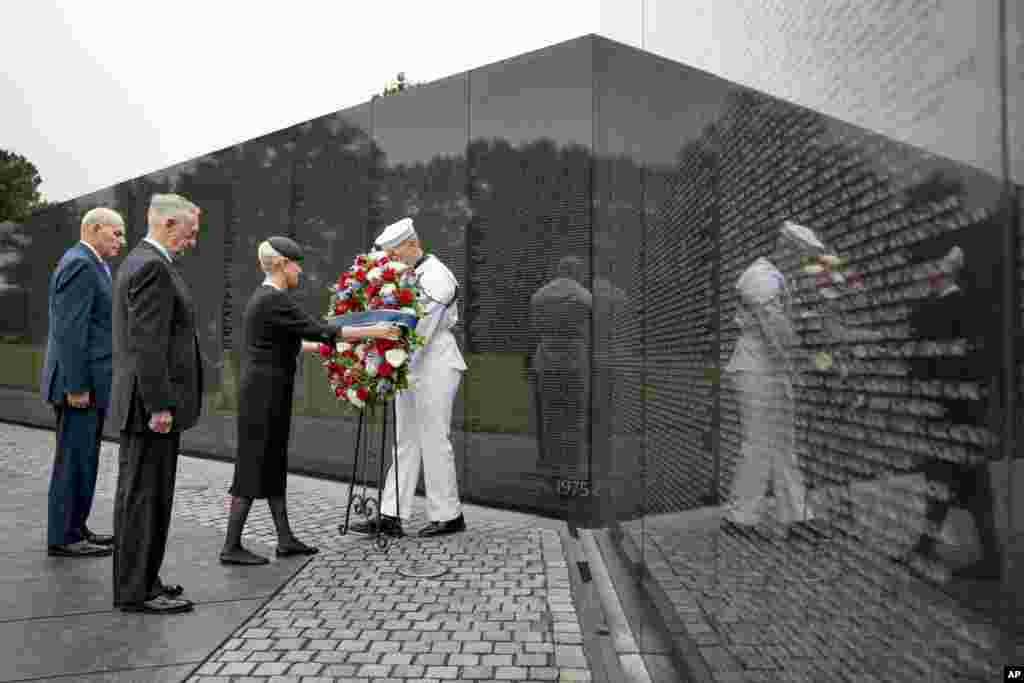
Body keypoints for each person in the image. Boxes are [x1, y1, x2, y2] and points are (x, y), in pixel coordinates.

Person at [221, 236, 401, 565]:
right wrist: (375, 331)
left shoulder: (266, 299)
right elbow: (320, 330)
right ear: (281, 265)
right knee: (253, 465)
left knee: (272, 462)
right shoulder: (273, 300)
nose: (299, 272)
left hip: (266, 393)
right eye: (295, 265)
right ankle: (231, 546)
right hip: (263, 396)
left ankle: (285, 539)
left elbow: (293, 342)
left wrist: (339, 349)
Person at [108, 194, 202, 614]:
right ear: (168, 224)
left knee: (144, 496)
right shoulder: (152, 266)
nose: (192, 241)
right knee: (145, 499)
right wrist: (160, 405)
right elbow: (148, 344)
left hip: (145, 406)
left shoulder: (141, 262)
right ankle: (137, 591)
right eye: (190, 232)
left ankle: (144, 579)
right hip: (150, 410)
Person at [347, 217, 468, 538]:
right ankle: (391, 515)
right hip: (409, 365)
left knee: (433, 439)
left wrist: (386, 362)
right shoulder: (407, 273)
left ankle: (448, 514)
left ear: (412, 244)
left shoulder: (437, 276)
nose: (390, 261)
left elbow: (420, 330)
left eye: (395, 253)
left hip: (435, 364)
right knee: (405, 441)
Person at [904, 232, 1003, 581]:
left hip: (953, 411)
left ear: (947, 273)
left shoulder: (953, 307)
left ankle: (986, 559)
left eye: (936, 267)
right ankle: (934, 549)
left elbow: (950, 360)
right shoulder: (946, 306)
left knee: (957, 482)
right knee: (953, 482)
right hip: (953, 409)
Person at [722, 220, 816, 538]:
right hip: (755, 367)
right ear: (786, 248)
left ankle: (797, 516)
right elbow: (773, 328)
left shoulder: (777, 278)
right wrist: (800, 361)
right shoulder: (761, 277)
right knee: (759, 441)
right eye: (801, 254)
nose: (804, 263)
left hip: (771, 369)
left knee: (783, 444)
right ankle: (740, 516)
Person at [41, 207, 126, 557]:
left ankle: (76, 527)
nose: (121, 240)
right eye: (116, 233)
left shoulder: (90, 262)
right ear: (93, 229)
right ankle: (64, 537)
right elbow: (70, 331)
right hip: (79, 387)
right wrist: (76, 386)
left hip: (88, 385)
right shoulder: (80, 263)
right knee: (73, 461)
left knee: (83, 459)